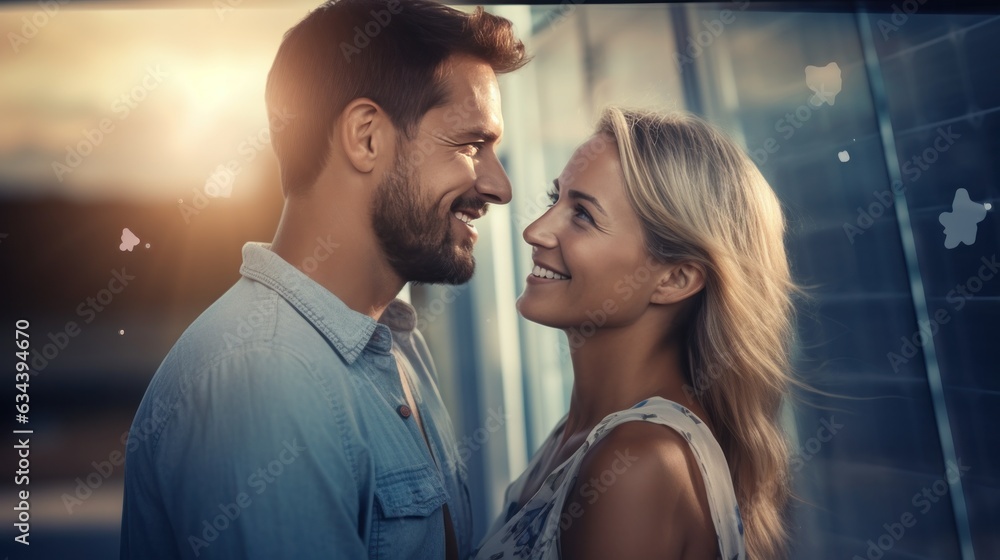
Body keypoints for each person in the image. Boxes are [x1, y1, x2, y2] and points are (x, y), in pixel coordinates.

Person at [119, 1, 528, 558]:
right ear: (365, 137)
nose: (500, 186)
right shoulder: (263, 377)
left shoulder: (393, 343)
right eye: (470, 145)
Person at [474, 107, 797, 560]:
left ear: (675, 279)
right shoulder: (580, 437)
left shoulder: (636, 462)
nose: (535, 230)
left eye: (582, 215)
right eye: (556, 199)